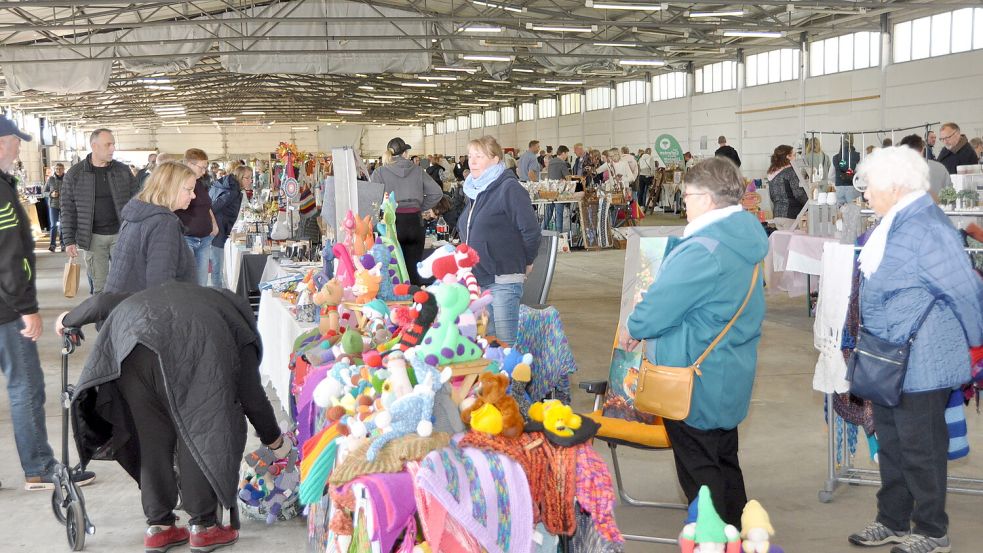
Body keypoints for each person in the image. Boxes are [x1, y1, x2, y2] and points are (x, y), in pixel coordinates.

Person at [57, 282, 290, 553]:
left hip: (133, 354)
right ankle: (204, 527)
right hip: (190, 350)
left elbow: (101, 303)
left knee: (150, 440)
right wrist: (275, 441)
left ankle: (159, 527)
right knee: (200, 428)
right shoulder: (236, 325)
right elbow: (253, 397)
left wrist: (67, 320)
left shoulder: (158, 293)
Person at [846, 146, 983, 553]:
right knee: (890, 443)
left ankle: (931, 530)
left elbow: (967, 291)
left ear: (895, 185)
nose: (865, 194)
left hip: (924, 361)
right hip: (889, 358)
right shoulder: (895, 223)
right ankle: (891, 519)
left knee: (921, 448)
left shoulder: (927, 227)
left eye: (869, 186)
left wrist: (976, 346)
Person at [626, 157, 767, 527]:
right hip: (727, 369)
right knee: (724, 460)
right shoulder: (744, 237)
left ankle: (714, 538)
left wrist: (634, 325)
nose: (683, 202)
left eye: (687, 195)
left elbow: (658, 308)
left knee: (700, 473)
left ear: (706, 199)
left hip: (692, 378)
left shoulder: (703, 248)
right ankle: (739, 533)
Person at [0, 118, 96, 491]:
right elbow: (9, 256)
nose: (16, 149)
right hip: (7, 310)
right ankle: (39, 467)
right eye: (12, 142)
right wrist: (26, 308)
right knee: (26, 387)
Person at [458, 135, 541, 344]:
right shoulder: (474, 190)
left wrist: (527, 261)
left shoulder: (508, 188)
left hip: (504, 277)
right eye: (470, 156)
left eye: (479, 156)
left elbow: (531, 231)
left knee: (505, 345)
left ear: (495, 159)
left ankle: (513, 378)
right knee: (487, 343)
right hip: (479, 278)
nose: (472, 161)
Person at [62, 128, 139, 294]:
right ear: (94, 146)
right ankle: (102, 320)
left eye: (113, 144)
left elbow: (137, 200)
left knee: (126, 283)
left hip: (122, 235)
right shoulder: (75, 174)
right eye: (108, 144)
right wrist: (69, 240)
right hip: (93, 239)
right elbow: (67, 209)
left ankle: (123, 319)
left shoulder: (122, 171)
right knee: (101, 287)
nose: (112, 148)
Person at [104, 161, 197, 293]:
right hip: (141, 307)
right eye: (189, 189)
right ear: (171, 188)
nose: (193, 195)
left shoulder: (138, 214)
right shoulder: (164, 223)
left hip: (124, 303)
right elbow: (161, 284)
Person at [371, 137, 443, 285]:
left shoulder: (380, 172)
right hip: (415, 222)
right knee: (413, 268)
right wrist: (420, 207)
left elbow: (372, 200)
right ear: (405, 153)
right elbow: (437, 192)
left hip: (393, 223)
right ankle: (416, 303)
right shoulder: (418, 170)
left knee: (394, 270)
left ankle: (399, 305)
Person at [176, 149, 219, 287]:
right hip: (187, 238)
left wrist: (214, 223)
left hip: (205, 239)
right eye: (202, 167)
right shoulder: (178, 185)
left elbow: (206, 206)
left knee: (202, 282)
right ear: (189, 164)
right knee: (188, 282)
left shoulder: (199, 183)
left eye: (206, 168)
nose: (204, 171)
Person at [210, 165, 251, 288]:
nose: (250, 181)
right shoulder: (231, 192)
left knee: (219, 264)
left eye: (251, 178)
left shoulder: (229, 186)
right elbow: (212, 207)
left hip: (221, 229)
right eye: (247, 178)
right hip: (219, 230)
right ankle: (218, 295)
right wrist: (216, 225)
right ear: (239, 177)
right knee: (218, 265)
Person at [899, 134, 951, 203]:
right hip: (938, 211)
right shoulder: (940, 167)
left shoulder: (897, 170)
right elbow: (950, 195)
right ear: (923, 149)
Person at [767, 144, 808, 219]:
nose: (795, 158)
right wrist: (810, 205)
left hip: (777, 215)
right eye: (794, 155)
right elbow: (799, 194)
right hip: (791, 215)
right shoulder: (790, 172)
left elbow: (772, 197)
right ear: (788, 157)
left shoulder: (772, 173)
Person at [832, 136, 861, 205]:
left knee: (839, 212)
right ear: (852, 141)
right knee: (853, 210)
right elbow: (860, 174)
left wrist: (838, 180)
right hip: (852, 187)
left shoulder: (835, 157)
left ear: (841, 142)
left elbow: (831, 175)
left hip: (839, 188)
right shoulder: (857, 156)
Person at [44, 162, 66, 252]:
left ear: (63, 169)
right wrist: (51, 194)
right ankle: (52, 244)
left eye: (60, 169)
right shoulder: (51, 179)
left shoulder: (67, 179)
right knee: (53, 225)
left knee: (63, 226)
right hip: (53, 205)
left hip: (65, 205)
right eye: (57, 169)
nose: (58, 170)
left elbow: (73, 191)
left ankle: (63, 244)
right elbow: (44, 192)